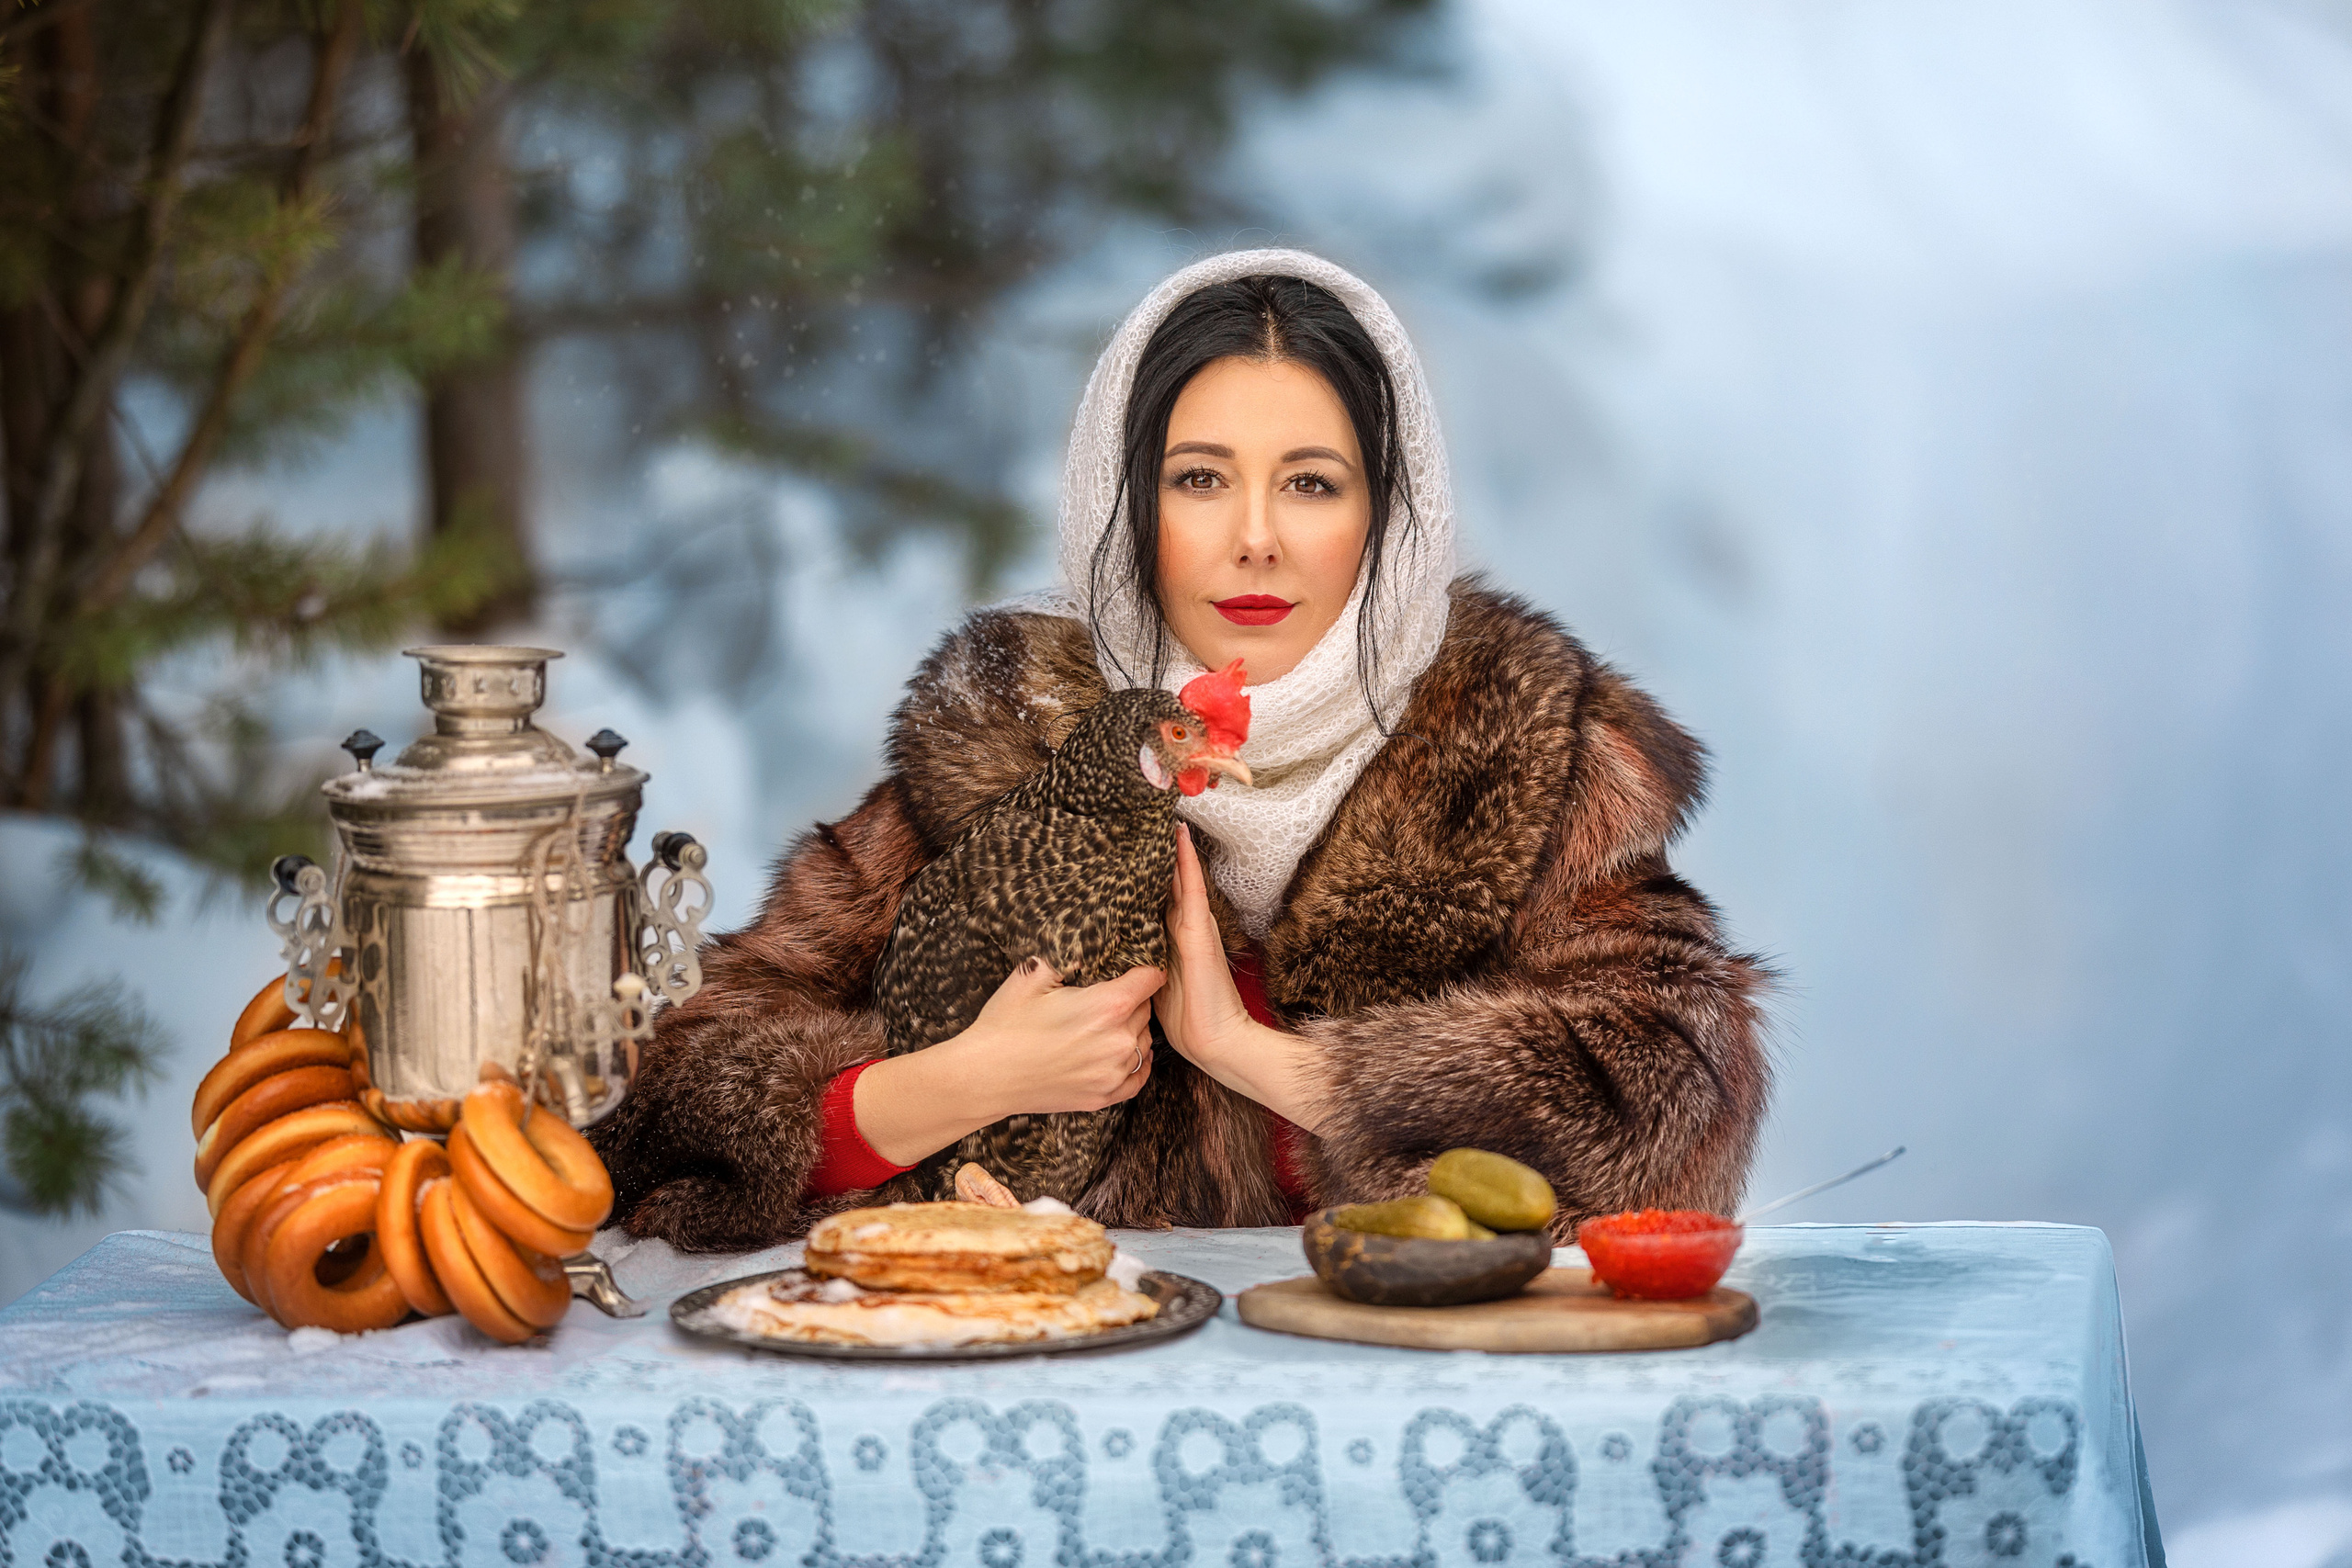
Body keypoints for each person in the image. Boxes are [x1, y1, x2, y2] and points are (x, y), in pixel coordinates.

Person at [590, 249, 1769, 1247]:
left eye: (1311, 483)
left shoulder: (1512, 765)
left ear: (1389, 517)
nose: (1254, 540)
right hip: (1051, 1423)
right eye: (1199, 479)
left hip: (1393, 1415)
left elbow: (1673, 1113)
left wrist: (1258, 1058)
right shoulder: (1010, 755)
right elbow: (666, 1108)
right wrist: (951, 1087)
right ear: (1125, 504)